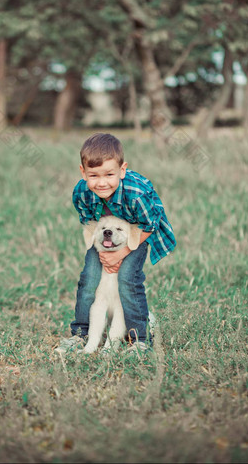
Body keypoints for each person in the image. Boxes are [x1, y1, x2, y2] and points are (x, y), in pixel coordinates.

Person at [55, 133, 176, 356]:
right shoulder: (81, 192)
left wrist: (122, 254)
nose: (102, 182)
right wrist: (97, 253)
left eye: (109, 174)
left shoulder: (136, 193)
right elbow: (89, 223)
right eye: (94, 175)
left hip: (136, 232)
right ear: (83, 173)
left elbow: (150, 223)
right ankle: (81, 334)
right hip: (104, 234)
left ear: (122, 170)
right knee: (88, 279)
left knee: (128, 279)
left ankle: (139, 339)